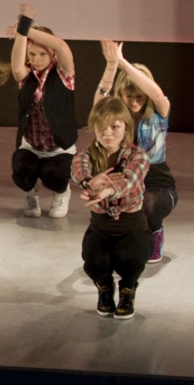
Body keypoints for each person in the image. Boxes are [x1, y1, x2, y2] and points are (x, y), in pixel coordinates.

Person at [94, 39, 176, 263]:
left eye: (139, 96)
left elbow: (156, 94)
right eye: (128, 96)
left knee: (149, 203)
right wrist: (112, 66)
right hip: (122, 177)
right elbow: (99, 100)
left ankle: (155, 232)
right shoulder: (114, 116)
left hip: (156, 179)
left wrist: (123, 63)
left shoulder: (160, 111)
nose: (134, 102)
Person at [73, 96, 152, 319]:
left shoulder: (139, 156)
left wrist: (108, 190)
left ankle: (128, 289)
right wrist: (89, 182)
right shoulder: (87, 155)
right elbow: (78, 167)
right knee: (94, 261)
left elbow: (130, 181)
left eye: (114, 127)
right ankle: (105, 288)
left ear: (126, 128)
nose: (107, 133)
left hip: (133, 229)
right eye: (102, 127)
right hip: (101, 228)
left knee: (130, 259)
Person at [0, 3, 76, 218]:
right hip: (31, 146)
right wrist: (22, 34)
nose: (37, 59)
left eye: (42, 54)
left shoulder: (64, 73)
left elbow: (61, 45)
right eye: (32, 54)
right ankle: (30, 195)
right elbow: (16, 68)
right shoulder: (26, 75)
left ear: (52, 55)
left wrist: (25, 28)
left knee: (54, 174)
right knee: (21, 170)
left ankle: (61, 192)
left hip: (59, 149)